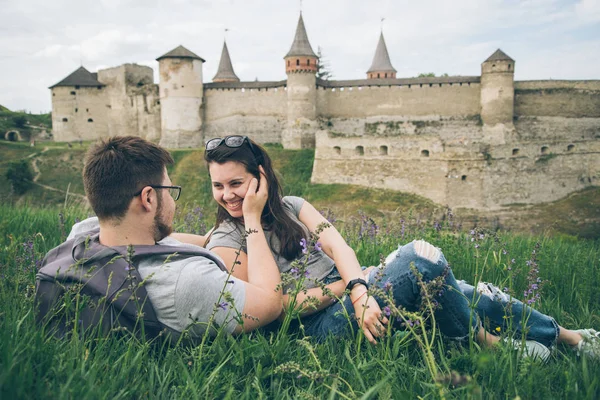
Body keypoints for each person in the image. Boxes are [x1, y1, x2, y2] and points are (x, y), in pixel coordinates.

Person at [198, 135, 599, 360]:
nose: (228, 195)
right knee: (420, 262)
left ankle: (571, 339)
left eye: (237, 183)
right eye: (219, 185)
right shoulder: (225, 242)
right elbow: (273, 308)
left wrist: (359, 287)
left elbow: (340, 248)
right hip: (316, 329)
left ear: (260, 177)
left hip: (356, 296)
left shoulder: (293, 207)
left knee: (451, 286)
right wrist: (356, 287)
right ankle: (489, 344)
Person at [36, 136, 283, 341]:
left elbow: (162, 240)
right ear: (148, 198)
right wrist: (251, 218)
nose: (173, 202)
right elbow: (271, 303)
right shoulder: (187, 281)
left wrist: (218, 235)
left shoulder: (83, 234)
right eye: (170, 191)